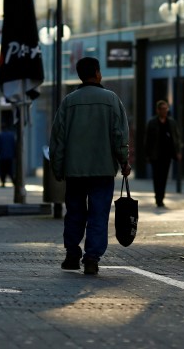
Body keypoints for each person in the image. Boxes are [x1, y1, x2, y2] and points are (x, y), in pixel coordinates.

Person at [49, 57, 130, 276]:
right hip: (103, 170)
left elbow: (58, 138)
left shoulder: (69, 102)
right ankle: (92, 259)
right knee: (98, 214)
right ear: (97, 72)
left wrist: (58, 168)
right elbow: (119, 135)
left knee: (75, 212)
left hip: (75, 170)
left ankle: (72, 254)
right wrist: (124, 161)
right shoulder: (111, 100)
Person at [144, 100, 182, 207]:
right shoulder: (152, 122)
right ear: (158, 110)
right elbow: (147, 140)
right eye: (163, 109)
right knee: (157, 177)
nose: (165, 111)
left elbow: (176, 138)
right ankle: (158, 197)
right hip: (155, 155)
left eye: (166, 109)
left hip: (167, 155)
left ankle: (161, 197)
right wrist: (147, 155)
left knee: (164, 177)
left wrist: (178, 152)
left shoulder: (171, 122)